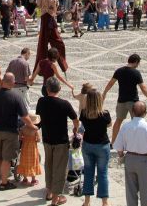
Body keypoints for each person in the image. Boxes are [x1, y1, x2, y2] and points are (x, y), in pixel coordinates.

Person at [36, 77, 79, 206]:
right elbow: (75, 119)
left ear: (47, 89)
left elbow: (38, 118)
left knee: (48, 165)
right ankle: (55, 199)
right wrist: (75, 130)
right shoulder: (64, 104)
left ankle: (49, 192)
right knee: (59, 169)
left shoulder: (41, 101)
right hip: (61, 141)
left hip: (47, 139)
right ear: (59, 89)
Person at [113, 101, 147, 206]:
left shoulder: (126, 126)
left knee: (130, 192)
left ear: (132, 112)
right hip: (145, 161)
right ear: (145, 113)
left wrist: (122, 157)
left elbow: (119, 148)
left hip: (130, 159)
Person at [102, 54, 147, 145]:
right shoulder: (136, 73)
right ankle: (136, 143)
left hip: (121, 100)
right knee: (137, 122)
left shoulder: (119, 71)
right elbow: (143, 88)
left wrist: (105, 93)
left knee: (118, 121)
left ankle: (113, 142)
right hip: (133, 102)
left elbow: (110, 83)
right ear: (136, 62)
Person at [79, 90, 111, 206]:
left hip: (88, 144)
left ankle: (87, 201)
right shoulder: (105, 114)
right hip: (102, 145)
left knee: (88, 173)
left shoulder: (84, 113)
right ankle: (105, 202)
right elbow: (109, 124)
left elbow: (82, 125)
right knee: (103, 173)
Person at [35, 0, 68, 74]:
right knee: (59, 43)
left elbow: (39, 6)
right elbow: (53, 12)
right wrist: (56, 4)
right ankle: (63, 65)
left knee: (42, 45)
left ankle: (40, 70)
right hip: (49, 20)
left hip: (43, 19)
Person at [16, 113, 42, 187]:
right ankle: (33, 180)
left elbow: (20, 138)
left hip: (25, 147)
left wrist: (25, 138)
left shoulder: (22, 128)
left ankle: (25, 179)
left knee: (24, 161)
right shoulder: (35, 129)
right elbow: (39, 139)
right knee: (33, 162)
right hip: (33, 148)